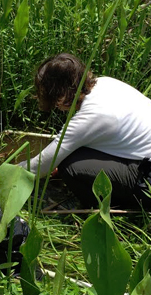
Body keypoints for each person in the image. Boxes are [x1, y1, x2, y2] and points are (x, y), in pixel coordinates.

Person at [18, 53, 151, 209]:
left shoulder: (92, 116)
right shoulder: (106, 82)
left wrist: (10, 172)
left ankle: (105, 210)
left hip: (148, 180)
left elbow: (40, 166)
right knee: (75, 151)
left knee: (69, 166)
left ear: (61, 95)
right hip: (144, 157)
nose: (56, 106)